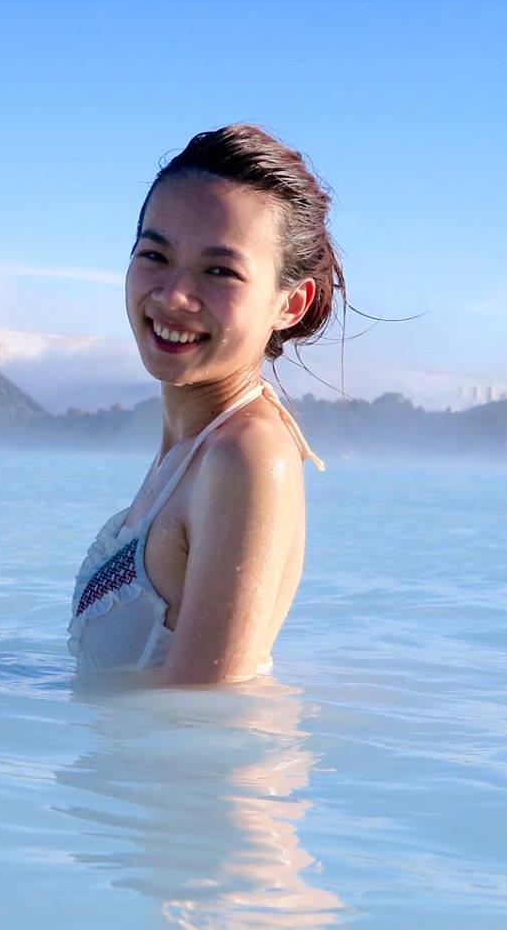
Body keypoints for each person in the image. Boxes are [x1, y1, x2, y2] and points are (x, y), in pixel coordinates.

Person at [70, 124, 340, 686]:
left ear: (290, 303)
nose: (172, 296)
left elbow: (203, 719)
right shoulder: (193, 449)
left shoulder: (245, 454)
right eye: (154, 255)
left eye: (220, 271)